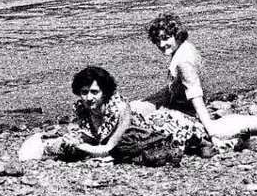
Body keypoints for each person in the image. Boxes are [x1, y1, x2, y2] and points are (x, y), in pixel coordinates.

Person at [140, 13, 257, 147]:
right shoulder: (184, 48)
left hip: (189, 113)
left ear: (177, 35)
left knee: (222, 129)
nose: (161, 45)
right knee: (137, 110)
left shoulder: (184, 61)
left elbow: (197, 100)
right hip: (179, 102)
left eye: (166, 38)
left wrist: (213, 135)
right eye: (157, 40)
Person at [21, 66, 184, 166]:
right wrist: (72, 141)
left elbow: (107, 148)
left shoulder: (120, 109)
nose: (88, 98)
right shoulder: (82, 108)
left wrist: (80, 146)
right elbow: (88, 136)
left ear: (104, 92)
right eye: (84, 92)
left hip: (141, 125)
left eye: (94, 92)